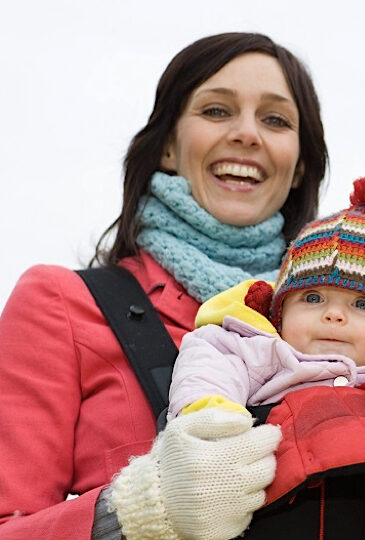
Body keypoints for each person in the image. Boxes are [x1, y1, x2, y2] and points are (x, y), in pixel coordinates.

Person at [0, 32, 328, 540]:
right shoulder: (60, 304)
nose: (247, 133)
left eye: (275, 120)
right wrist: (134, 511)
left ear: (300, 162)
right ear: (169, 147)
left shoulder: (349, 329)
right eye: (216, 111)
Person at [159, 174, 365, 538]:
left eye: (362, 304)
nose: (333, 315)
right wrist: (211, 417)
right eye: (313, 298)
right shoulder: (263, 353)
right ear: (281, 313)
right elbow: (210, 362)